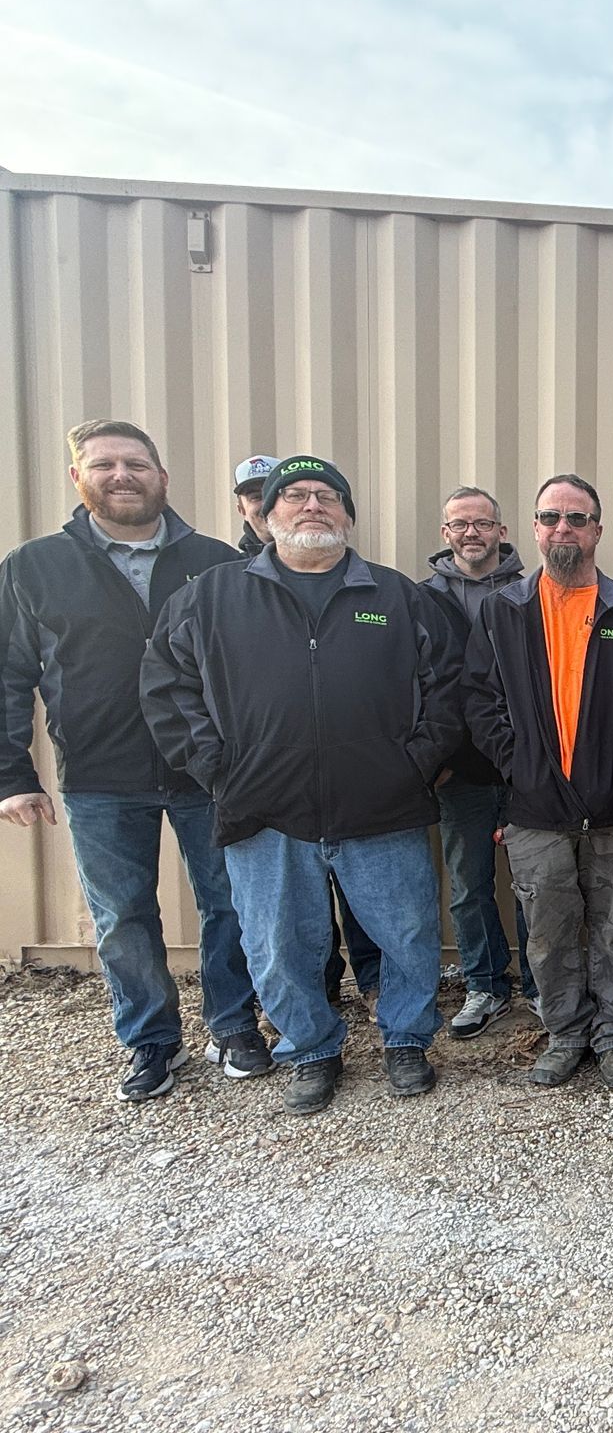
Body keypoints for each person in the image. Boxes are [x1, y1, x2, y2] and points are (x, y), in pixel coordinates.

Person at [142, 455, 463, 1115]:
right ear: (267, 516)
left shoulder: (396, 597)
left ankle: (406, 1041)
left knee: (406, 935)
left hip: (383, 807)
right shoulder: (213, 597)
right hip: (264, 810)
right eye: (294, 496)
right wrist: (218, 768)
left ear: (348, 517)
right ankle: (311, 1050)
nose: (311, 505)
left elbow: (449, 689)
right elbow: (166, 686)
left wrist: (412, 763)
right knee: (279, 943)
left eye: (328, 496)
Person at [0, 419, 260, 1101]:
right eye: (105, 464)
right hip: (99, 775)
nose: (122, 475)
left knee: (229, 903)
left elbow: (254, 674)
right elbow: (8, 674)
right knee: (121, 916)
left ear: (162, 477)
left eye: (136, 464)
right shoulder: (34, 567)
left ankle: (233, 1026)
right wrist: (12, 775)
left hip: (208, 773)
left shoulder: (214, 563)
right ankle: (150, 1041)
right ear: (78, 478)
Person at [466, 475, 613, 1089]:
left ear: (598, 529)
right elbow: (479, 698)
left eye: (577, 518)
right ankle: (565, 1034)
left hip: (612, 805)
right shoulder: (504, 610)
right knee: (546, 932)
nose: (563, 529)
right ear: (535, 530)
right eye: (551, 518)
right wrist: (518, 764)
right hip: (534, 807)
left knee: (612, 926)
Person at [422, 485, 529, 1037]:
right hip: (456, 769)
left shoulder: (531, 592)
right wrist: (428, 758)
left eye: (482, 524)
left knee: (534, 881)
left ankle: (538, 986)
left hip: (523, 765)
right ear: (445, 533)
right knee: (468, 885)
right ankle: (485, 985)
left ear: (501, 532)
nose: (471, 533)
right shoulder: (420, 597)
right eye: (460, 524)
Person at [232, 455, 277, 555]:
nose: (267, 504)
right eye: (256, 497)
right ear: (242, 510)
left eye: (273, 494)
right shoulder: (230, 569)